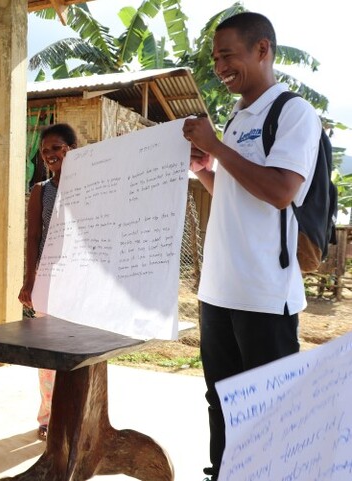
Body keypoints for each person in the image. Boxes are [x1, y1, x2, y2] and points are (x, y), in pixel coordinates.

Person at [182, 12, 321, 481]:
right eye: (216, 58)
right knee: (220, 399)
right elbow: (237, 197)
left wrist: (217, 148)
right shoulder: (240, 116)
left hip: (264, 293)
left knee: (266, 409)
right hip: (218, 290)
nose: (220, 66)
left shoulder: (293, 112)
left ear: (262, 50)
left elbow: (281, 190)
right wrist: (205, 167)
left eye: (228, 55)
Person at [17, 123, 78, 441]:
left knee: (79, 350)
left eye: (56, 148)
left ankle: (76, 413)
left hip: (81, 281)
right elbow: (32, 238)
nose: (50, 155)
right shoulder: (41, 190)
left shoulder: (90, 187)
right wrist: (29, 281)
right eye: (45, 151)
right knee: (48, 353)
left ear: (71, 148)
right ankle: (48, 416)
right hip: (49, 282)